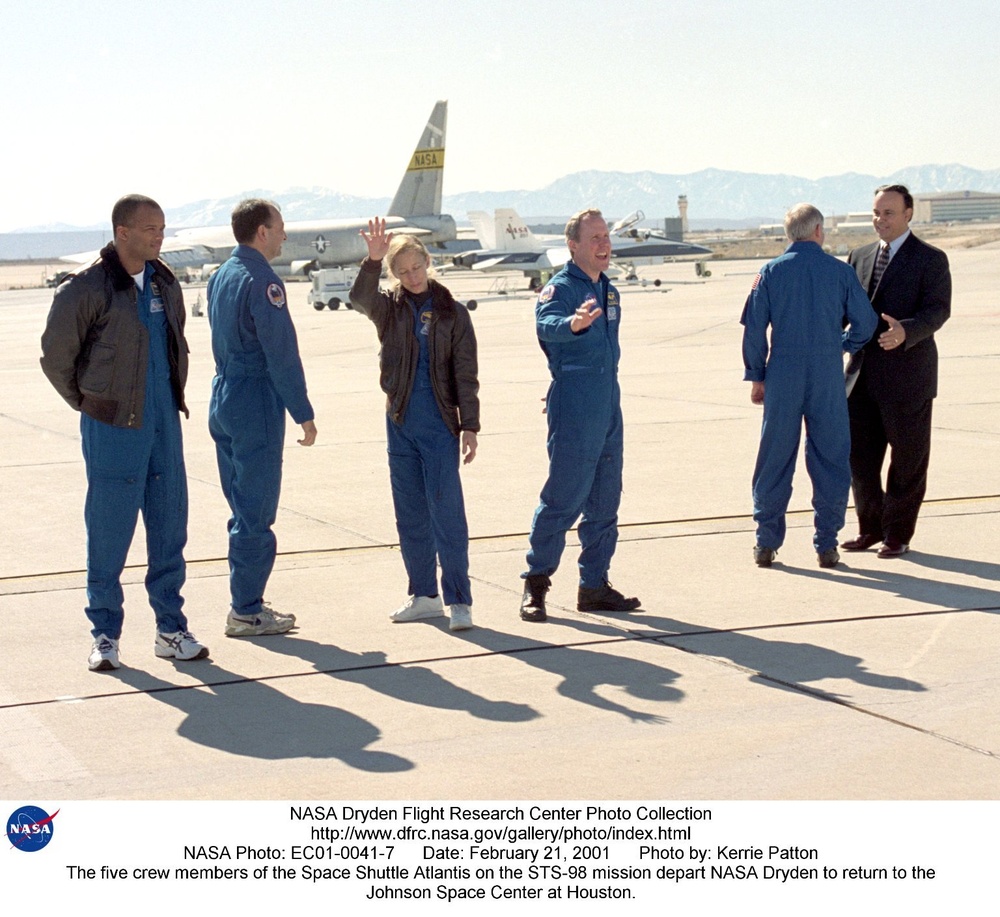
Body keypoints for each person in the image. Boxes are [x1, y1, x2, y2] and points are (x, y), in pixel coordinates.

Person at [40, 194, 207, 671]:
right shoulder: (86, 289)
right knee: (110, 532)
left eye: (163, 228)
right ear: (122, 233)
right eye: (150, 228)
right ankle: (105, 635)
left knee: (169, 525)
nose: (159, 236)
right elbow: (56, 359)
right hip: (112, 427)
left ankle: (170, 629)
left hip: (163, 425)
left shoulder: (165, 283)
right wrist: (91, 405)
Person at [351, 219, 480, 632]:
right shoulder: (388, 308)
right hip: (400, 419)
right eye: (401, 271)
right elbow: (359, 298)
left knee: (447, 513)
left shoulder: (452, 313)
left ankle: (459, 600)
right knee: (409, 514)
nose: (411, 276)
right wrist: (372, 261)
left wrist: (470, 426)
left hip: (440, 422)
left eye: (416, 267)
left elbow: (466, 374)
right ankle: (424, 595)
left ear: (428, 262)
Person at [520, 208, 641, 622]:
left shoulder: (609, 291)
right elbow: (547, 326)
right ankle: (535, 584)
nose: (604, 244)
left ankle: (594, 585)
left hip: (608, 406)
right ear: (573, 246)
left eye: (606, 236)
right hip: (575, 407)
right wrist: (572, 324)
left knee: (606, 500)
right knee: (563, 498)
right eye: (594, 238)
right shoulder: (560, 289)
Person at [741, 203, 877, 568]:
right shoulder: (840, 271)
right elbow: (866, 322)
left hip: (782, 373)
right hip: (826, 374)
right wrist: (841, 345)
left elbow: (754, 330)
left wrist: (757, 376)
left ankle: (766, 543)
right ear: (818, 231)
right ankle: (826, 544)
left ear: (790, 234)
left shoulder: (769, 273)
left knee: (774, 457)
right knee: (831, 456)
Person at [207, 199, 317, 637]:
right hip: (255, 399)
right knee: (256, 510)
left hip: (225, 395)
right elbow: (280, 352)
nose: (285, 236)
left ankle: (245, 597)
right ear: (262, 232)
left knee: (240, 505)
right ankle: (246, 610)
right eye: (281, 227)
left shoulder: (222, 275)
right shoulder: (263, 280)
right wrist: (302, 412)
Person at [842, 185, 951, 558]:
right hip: (860, 378)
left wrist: (907, 331)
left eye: (888, 213)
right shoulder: (858, 255)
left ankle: (897, 535)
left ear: (908, 214)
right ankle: (870, 529)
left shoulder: (931, 259)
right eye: (876, 212)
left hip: (908, 377)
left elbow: (938, 311)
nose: (880, 220)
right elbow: (845, 309)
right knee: (860, 459)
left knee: (907, 460)